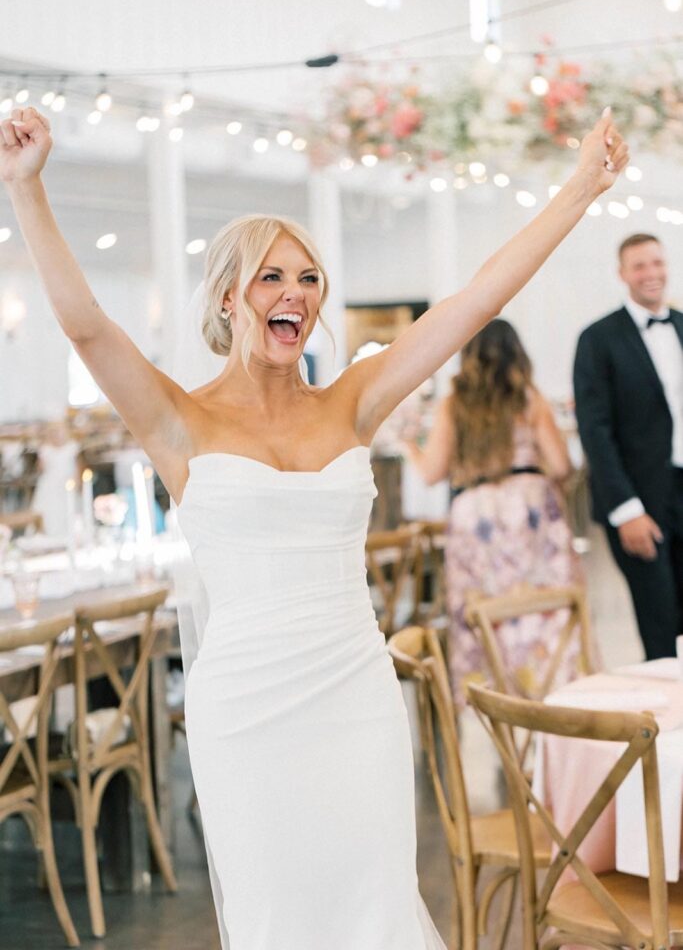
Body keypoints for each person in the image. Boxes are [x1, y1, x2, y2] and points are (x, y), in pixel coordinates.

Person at [0, 103, 627, 950]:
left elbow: (476, 302)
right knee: (277, 917)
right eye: (271, 277)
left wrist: (580, 188)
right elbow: (84, 325)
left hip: (353, 694)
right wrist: (26, 188)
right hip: (244, 710)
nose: (293, 293)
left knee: (372, 903)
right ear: (231, 298)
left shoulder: (354, 400)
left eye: (306, 279)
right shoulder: (178, 420)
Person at [403, 319, 583, 705]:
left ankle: (497, 703)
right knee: (542, 609)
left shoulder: (454, 404)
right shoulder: (529, 399)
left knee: (485, 614)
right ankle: (547, 697)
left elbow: (432, 472)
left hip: (475, 515)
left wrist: (408, 445)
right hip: (530, 508)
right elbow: (562, 465)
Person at [574, 233, 683, 660]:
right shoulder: (598, 339)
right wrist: (627, 510)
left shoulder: (681, 324)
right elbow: (594, 431)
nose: (651, 273)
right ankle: (670, 723)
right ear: (622, 274)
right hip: (641, 502)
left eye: (656, 263)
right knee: (660, 623)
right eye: (639, 266)